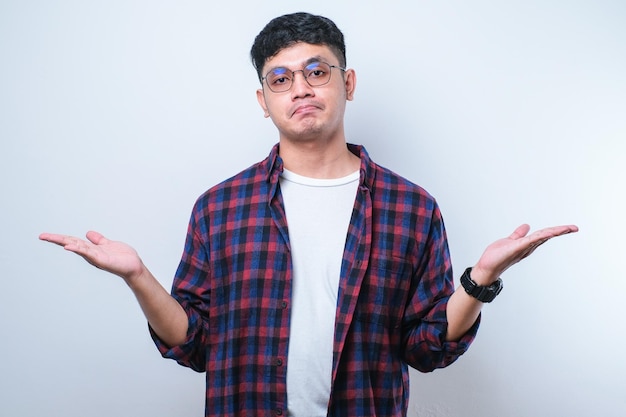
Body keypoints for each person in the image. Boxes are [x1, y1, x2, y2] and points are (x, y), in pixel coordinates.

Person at [39, 12, 578, 417]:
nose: (300, 88)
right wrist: (137, 277)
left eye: (317, 71)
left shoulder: (411, 207)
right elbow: (194, 342)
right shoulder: (220, 207)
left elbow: (427, 347)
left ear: (347, 83)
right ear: (263, 99)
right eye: (281, 78)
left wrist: (483, 277)